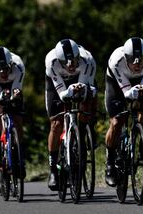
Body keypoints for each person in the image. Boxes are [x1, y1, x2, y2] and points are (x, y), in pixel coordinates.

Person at [104, 37, 143, 187]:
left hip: (139, 82)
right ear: (125, 57)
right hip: (116, 83)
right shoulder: (116, 61)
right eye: (132, 59)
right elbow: (127, 93)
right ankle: (109, 163)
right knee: (116, 122)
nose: (137, 63)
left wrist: (142, 94)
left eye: (140, 59)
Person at [45, 39, 97, 190]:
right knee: (56, 124)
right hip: (57, 84)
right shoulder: (51, 61)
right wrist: (67, 93)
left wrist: (84, 91)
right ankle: (53, 170)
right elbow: (61, 93)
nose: (70, 65)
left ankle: (85, 130)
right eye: (66, 62)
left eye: (74, 60)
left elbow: (84, 87)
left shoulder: (87, 59)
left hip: (82, 78)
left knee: (88, 101)